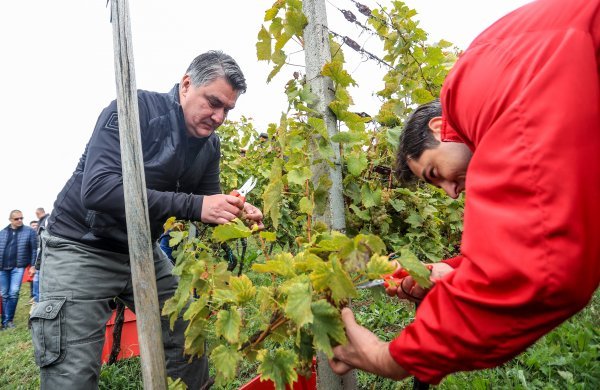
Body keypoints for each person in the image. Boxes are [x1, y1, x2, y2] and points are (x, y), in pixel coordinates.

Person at [329, 0, 600, 384]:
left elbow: (539, 264)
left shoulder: (471, 89)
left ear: (441, 127)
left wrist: (389, 357)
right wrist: (450, 275)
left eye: (435, 173)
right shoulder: (502, 65)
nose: (451, 193)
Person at [31, 50, 264, 389]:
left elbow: (207, 204)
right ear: (186, 85)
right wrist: (197, 205)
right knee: (72, 374)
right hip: (79, 246)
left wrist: (238, 211)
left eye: (227, 109)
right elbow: (98, 190)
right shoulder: (133, 110)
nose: (218, 117)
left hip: (141, 250)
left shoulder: (209, 146)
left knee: (186, 336)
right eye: (213, 102)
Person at [0, 210, 38, 330]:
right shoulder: (3, 232)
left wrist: (33, 266)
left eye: (21, 218)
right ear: (10, 219)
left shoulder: (29, 232)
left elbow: (34, 250)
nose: (20, 220)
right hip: (2, 268)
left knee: (14, 292)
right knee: (4, 294)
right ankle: (5, 321)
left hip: (18, 267)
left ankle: (9, 320)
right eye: (17, 219)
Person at [28, 208, 50, 306]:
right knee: (37, 276)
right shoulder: (42, 221)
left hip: (42, 250)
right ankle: (37, 298)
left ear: (37, 213)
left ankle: (39, 299)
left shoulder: (46, 220)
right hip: (40, 250)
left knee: (40, 275)